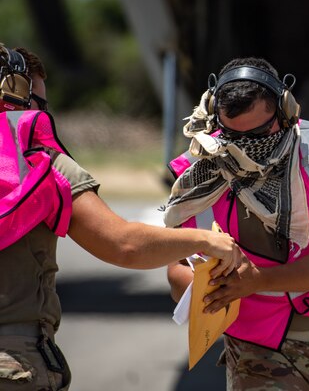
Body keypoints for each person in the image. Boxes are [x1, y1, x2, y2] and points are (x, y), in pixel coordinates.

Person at [0, 45, 242, 391]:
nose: (43, 113)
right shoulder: (39, 162)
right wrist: (206, 241)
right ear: (13, 93)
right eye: (39, 101)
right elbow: (124, 245)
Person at [164, 57, 309, 390]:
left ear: (286, 110)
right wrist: (204, 291)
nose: (246, 146)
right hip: (257, 359)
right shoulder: (197, 176)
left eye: (258, 133)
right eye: (233, 135)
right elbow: (176, 269)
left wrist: (257, 281)